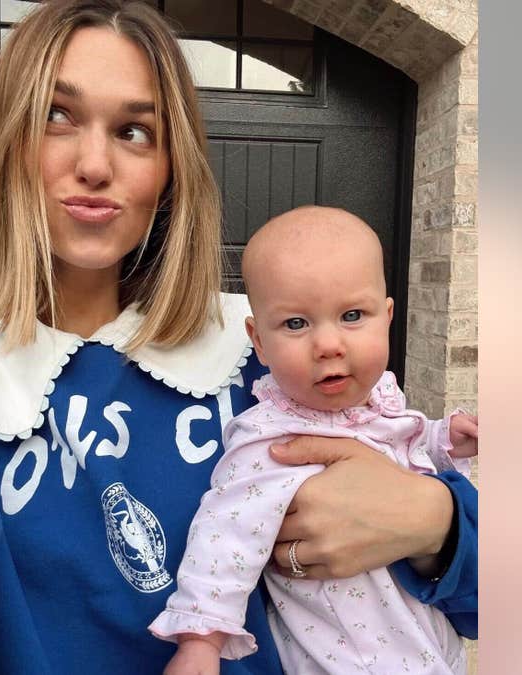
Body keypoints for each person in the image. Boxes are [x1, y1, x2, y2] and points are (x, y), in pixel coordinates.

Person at [0, 2, 477, 673]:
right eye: (55, 117)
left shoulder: (267, 355)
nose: (94, 164)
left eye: (134, 131)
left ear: (170, 167)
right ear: (6, 137)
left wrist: (437, 524)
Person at [148, 207, 477, 674]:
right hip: (344, 655)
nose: (328, 344)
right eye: (296, 324)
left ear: (387, 318)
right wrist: (200, 639)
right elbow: (224, 536)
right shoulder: (269, 439)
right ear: (259, 341)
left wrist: (445, 439)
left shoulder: (381, 399)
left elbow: (406, 442)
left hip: (427, 640)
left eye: (351, 315)